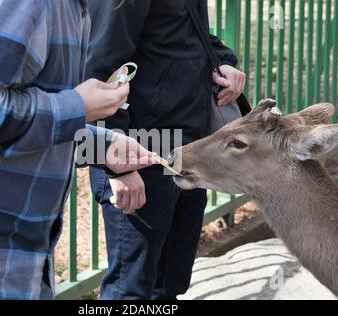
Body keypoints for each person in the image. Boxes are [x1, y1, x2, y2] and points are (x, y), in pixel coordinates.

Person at [0, 0, 155, 300]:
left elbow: (22, 116)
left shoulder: (75, 8)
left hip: (9, 263)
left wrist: (103, 146)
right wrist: (77, 107)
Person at [86, 0, 246, 299]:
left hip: (188, 150)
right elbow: (97, 71)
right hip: (140, 157)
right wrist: (117, 167)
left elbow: (187, 37)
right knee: (131, 290)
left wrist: (224, 61)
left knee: (170, 285)